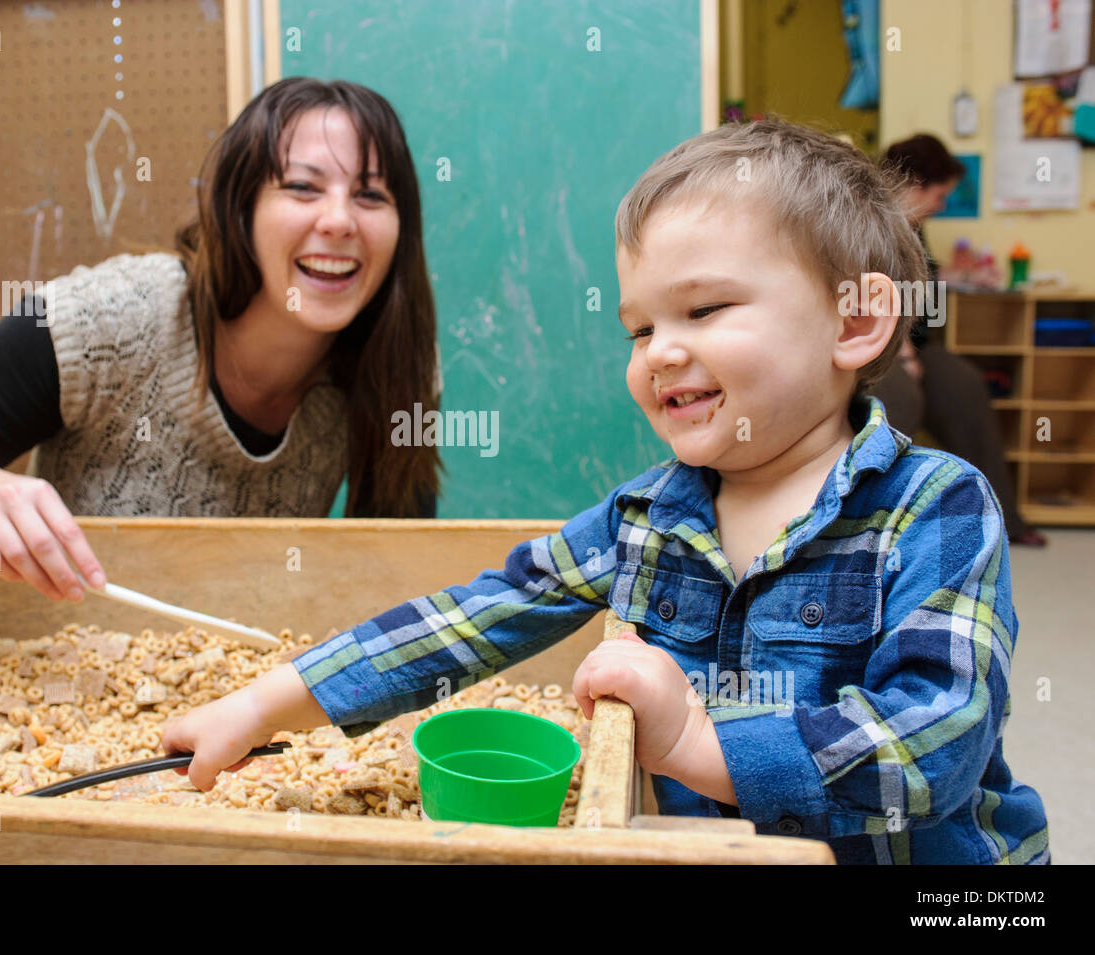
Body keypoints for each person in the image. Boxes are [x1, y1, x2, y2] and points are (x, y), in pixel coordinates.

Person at [161, 119, 1049, 865]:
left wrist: (699, 745)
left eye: (702, 312)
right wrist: (261, 704)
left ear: (855, 322)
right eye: (639, 326)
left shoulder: (936, 504)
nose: (658, 350)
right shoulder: (646, 517)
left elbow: (940, 737)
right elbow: (475, 616)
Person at [0, 78, 442, 602]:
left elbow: (392, 576)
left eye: (371, 195)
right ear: (241, 209)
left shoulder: (398, 367)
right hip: (65, 676)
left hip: (250, 693)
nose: (339, 220)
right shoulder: (105, 321)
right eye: (303, 188)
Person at [874, 133, 1045, 546]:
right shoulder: (874, 223)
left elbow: (921, 284)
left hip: (916, 344)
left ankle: (999, 519)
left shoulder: (914, 227)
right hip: (882, 348)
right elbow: (879, 296)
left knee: (965, 386)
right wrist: (905, 354)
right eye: (939, 194)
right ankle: (880, 527)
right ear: (914, 184)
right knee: (902, 399)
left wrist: (961, 275)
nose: (942, 204)